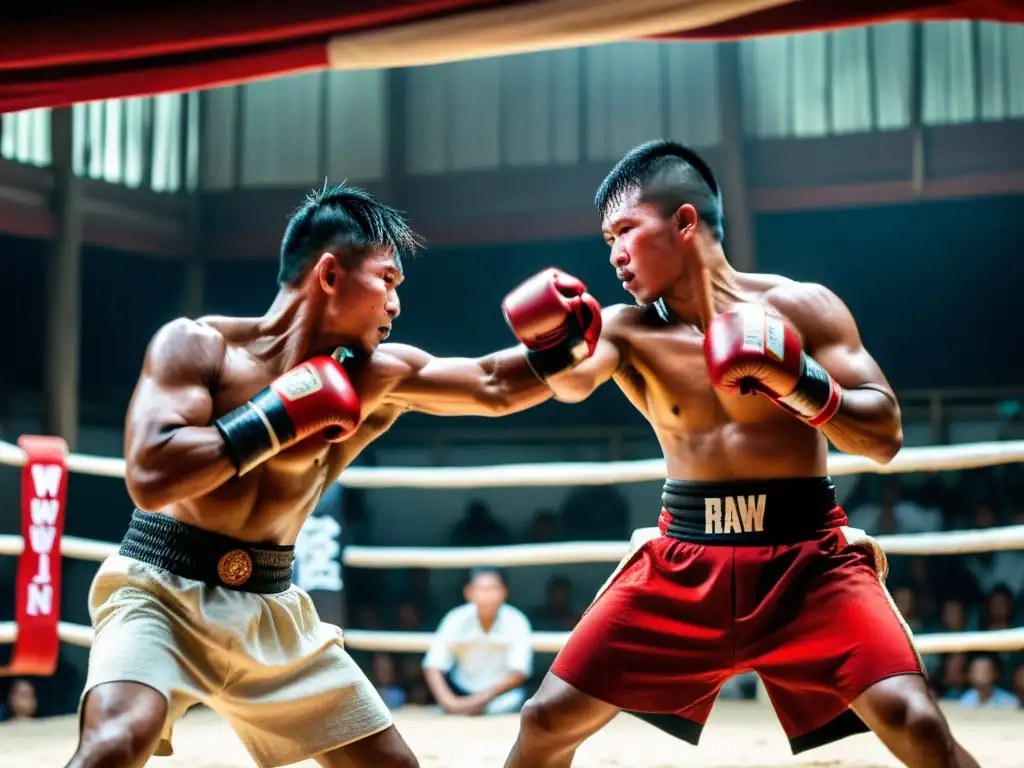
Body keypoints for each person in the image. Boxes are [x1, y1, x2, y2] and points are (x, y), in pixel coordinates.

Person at [67, 184, 603, 768]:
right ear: (329, 275)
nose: (396, 305)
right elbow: (151, 473)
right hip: (163, 592)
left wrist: (565, 344)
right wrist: (279, 413)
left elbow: (492, 384)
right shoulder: (199, 346)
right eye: (388, 281)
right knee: (115, 744)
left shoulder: (378, 375)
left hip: (272, 609)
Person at [499, 140, 979, 768]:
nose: (614, 255)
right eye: (606, 240)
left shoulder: (801, 307)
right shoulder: (624, 329)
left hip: (807, 563)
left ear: (684, 222)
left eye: (624, 231)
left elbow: (884, 435)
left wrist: (798, 382)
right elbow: (571, 382)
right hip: (684, 562)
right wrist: (551, 342)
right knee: (546, 721)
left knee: (915, 723)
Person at [422, 568, 533, 716]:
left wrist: (483, 698)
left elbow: (519, 672)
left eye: (493, 588)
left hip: (504, 700)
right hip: (460, 694)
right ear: (468, 592)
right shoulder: (456, 618)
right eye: (481, 588)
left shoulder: (516, 621)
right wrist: (449, 702)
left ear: (504, 592)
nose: (487, 595)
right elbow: (433, 665)